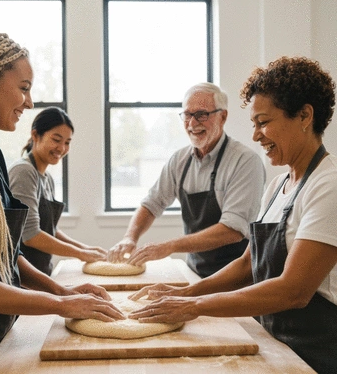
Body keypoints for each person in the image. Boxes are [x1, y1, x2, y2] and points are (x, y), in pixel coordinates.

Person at [128, 56, 337, 374]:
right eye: (254, 124)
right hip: (277, 344)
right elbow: (245, 264)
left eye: (263, 122)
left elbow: (293, 290)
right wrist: (186, 291)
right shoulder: (278, 185)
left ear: (305, 115)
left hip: (316, 353)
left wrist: (192, 306)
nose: (256, 136)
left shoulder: (329, 185)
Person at [0, 32, 124, 374]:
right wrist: (60, 304)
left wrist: (62, 291)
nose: (29, 102)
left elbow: (9, 252)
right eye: (23, 87)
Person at [108, 82, 266, 278]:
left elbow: (232, 230)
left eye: (202, 114)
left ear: (223, 116)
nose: (192, 123)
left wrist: (170, 246)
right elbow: (151, 204)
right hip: (194, 271)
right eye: (187, 115)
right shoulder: (179, 161)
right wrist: (129, 238)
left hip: (234, 276)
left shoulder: (245, 161)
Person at [9, 107, 107, 275]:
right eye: (56, 139)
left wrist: (85, 248)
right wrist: (81, 254)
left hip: (41, 273)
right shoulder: (23, 171)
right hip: (21, 277)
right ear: (35, 136)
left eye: (67, 142)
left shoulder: (47, 178)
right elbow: (31, 235)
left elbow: (50, 230)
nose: (61, 148)